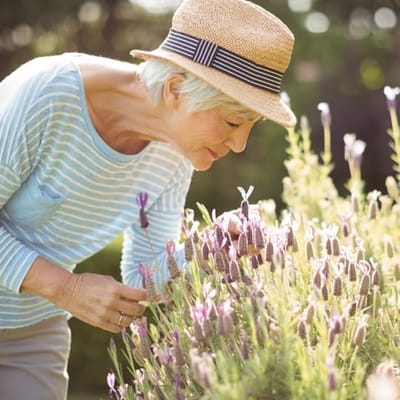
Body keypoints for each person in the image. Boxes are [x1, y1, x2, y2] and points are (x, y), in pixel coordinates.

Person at [0, 0, 296, 398]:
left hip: (32, 328)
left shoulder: (174, 155)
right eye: (231, 121)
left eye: (249, 126)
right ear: (175, 89)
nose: (240, 144)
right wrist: (66, 288)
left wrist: (210, 248)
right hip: (51, 301)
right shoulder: (47, 94)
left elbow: (143, 278)